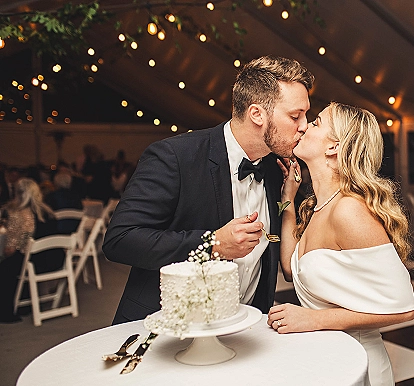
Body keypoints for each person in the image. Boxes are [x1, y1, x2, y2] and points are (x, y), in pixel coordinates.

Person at [102, 55, 314, 324]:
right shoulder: (175, 157)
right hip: (168, 326)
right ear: (257, 114)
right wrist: (212, 244)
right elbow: (120, 240)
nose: (304, 126)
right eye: (295, 116)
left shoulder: (277, 169)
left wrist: (287, 203)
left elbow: (277, 251)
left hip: (245, 329)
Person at [267, 102, 414, 386]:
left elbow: (403, 308)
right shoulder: (318, 207)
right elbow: (290, 268)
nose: (305, 126)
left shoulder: (349, 210)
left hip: (360, 364)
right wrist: (288, 200)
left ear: (333, 147)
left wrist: (312, 320)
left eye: (317, 122)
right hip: (327, 359)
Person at [0, 178, 58, 323]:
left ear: (17, 193)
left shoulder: (18, 213)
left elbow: (10, 249)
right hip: (55, 259)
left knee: (6, 265)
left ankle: (5, 311)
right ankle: (25, 304)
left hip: (34, 263)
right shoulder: (48, 212)